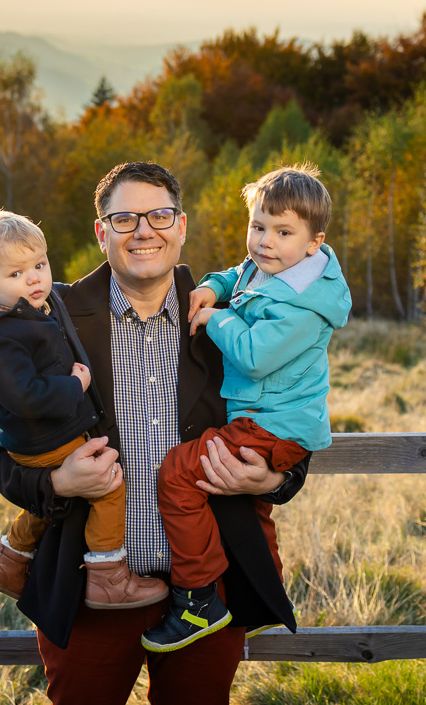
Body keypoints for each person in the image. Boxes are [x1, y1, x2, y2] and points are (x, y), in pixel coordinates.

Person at [0, 162, 312, 705]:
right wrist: (55, 483)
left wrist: (273, 479)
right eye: (124, 218)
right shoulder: (48, 315)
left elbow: (293, 415)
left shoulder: (238, 316)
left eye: (159, 215)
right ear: (101, 232)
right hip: (91, 588)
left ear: (181, 226)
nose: (143, 231)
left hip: (207, 593)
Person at [140, 165, 351, 652]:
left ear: (314, 243)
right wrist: (213, 287)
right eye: (258, 227)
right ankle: (261, 601)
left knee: (178, 473)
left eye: (283, 232)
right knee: (252, 512)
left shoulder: (304, 304)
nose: (265, 242)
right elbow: (239, 274)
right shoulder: (273, 266)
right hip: (263, 418)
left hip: (273, 425)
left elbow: (255, 356)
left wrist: (214, 318)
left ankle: (198, 598)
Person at [0, 206, 167, 610]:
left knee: (49, 505)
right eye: (16, 273)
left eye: (39, 264)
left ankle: (9, 561)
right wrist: (74, 385)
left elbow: (70, 295)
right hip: (44, 438)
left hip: (40, 438)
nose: (34, 278)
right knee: (109, 486)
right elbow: (26, 396)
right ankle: (108, 576)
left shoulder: (30, 309)